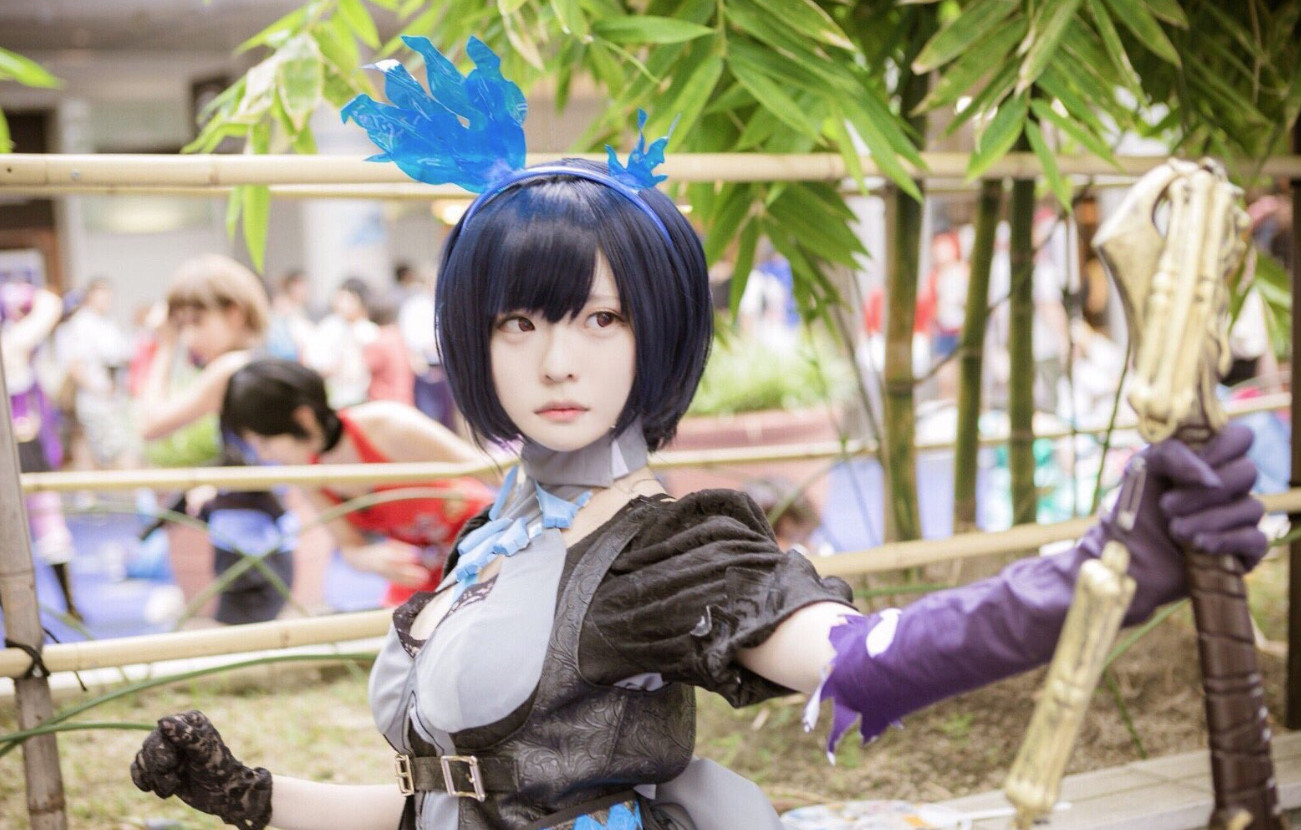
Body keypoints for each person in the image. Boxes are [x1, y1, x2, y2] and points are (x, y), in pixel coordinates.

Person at [131, 38, 1270, 830]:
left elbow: (859, 657)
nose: (557, 361)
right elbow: (444, 804)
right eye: (519, 321)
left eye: (601, 318)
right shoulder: (495, 537)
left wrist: (1099, 571)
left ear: (657, 331)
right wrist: (251, 794)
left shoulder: (661, 552)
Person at [220, 358, 494, 607]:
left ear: (303, 418)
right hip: (425, 570)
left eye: (265, 441)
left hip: (486, 542)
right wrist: (372, 559)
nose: (264, 455)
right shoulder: (307, 473)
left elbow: (492, 470)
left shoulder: (386, 425)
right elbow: (350, 547)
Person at [137, 253, 295, 625]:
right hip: (257, 539)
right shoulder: (256, 360)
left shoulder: (231, 367)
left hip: (251, 544)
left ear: (234, 313)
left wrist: (164, 346)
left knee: (242, 643)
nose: (188, 337)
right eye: (181, 327)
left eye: (196, 323)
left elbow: (150, 424)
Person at [2, 281, 79, 619]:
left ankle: (68, 603)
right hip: (16, 448)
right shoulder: (12, 343)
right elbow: (47, 308)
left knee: (49, 526)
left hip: (30, 446)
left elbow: (48, 306)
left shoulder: (18, 347)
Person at [59, 277, 136, 469]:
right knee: (117, 453)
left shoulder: (107, 322)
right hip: (96, 401)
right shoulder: (81, 324)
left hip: (113, 398)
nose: (107, 301)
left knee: (107, 453)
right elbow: (75, 366)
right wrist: (100, 389)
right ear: (91, 297)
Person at [306, 277, 375, 409]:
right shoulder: (329, 327)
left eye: (350, 300)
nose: (343, 304)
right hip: (335, 397)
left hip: (364, 397)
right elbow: (314, 361)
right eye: (341, 299)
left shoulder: (368, 330)